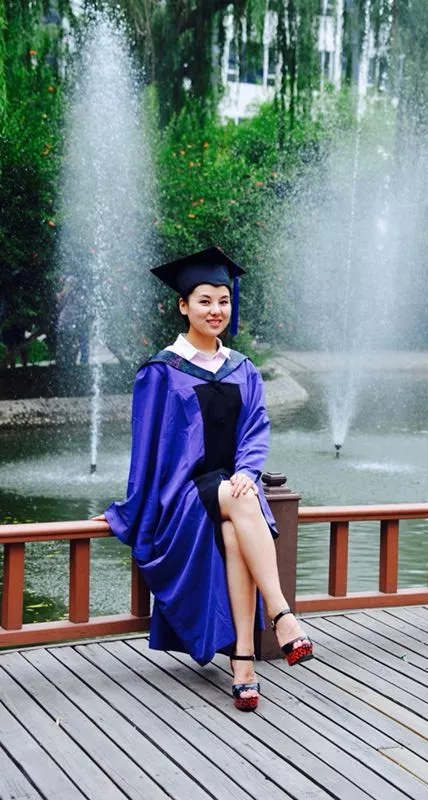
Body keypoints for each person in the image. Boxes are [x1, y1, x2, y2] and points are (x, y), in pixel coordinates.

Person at [97, 246, 313, 711]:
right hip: (183, 496)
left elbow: (255, 430)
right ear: (183, 306)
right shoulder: (161, 371)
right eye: (205, 301)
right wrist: (131, 510)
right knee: (241, 501)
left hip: (234, 491)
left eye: (224, 300)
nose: (216, 310)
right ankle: (281, 614)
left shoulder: (243, 368)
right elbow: (146, 448)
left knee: (236, 526)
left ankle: (243, 663)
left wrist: (247, 471)